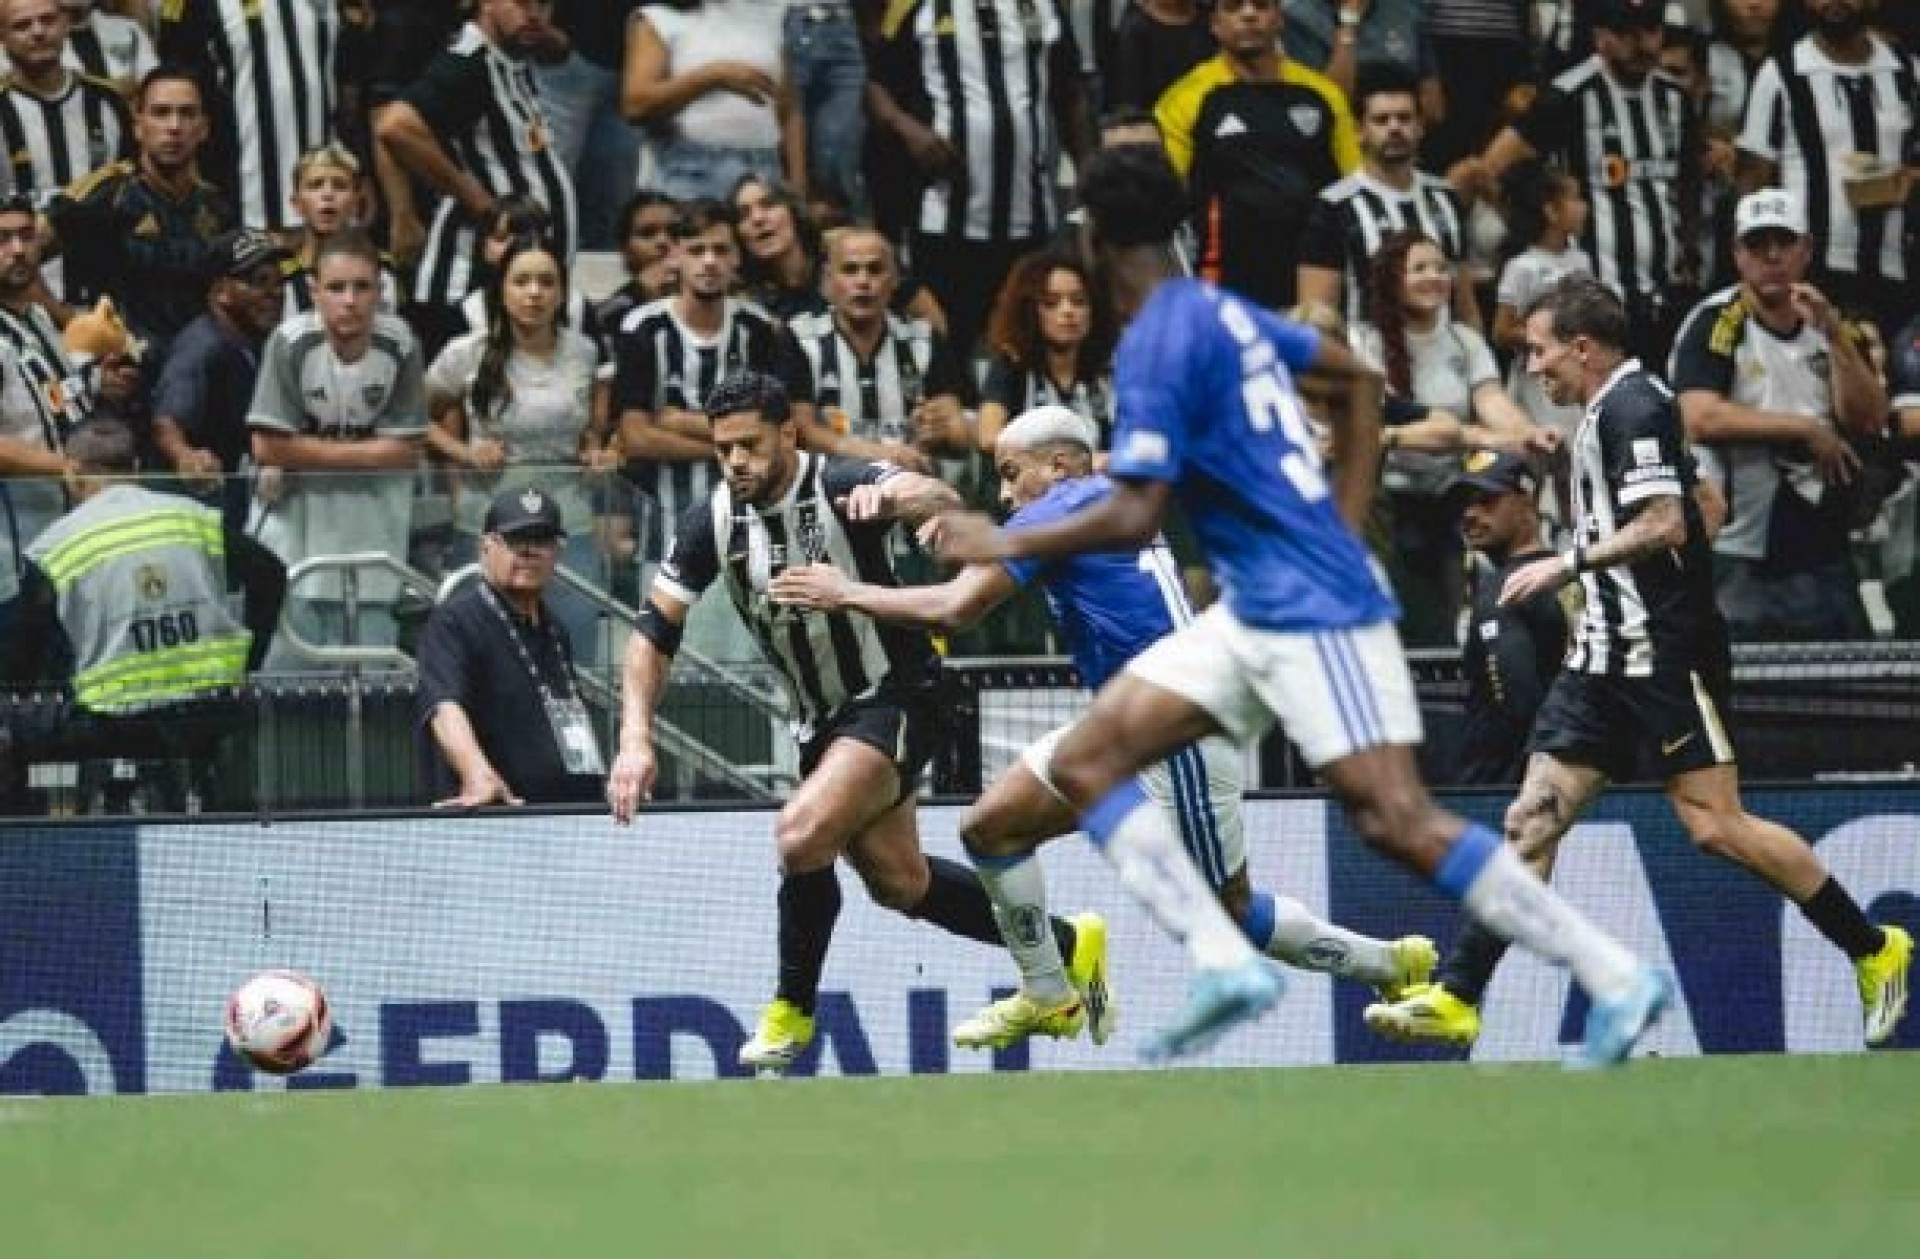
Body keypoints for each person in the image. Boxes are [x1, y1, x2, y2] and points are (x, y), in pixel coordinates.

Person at [933, 144, 1673, 1068]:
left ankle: (1613, 972)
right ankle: (1223, 963)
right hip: (1262, 601)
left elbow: (1134, 510)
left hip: (1306, 603)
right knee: (1089, 759)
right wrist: (1346, 516)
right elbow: (1359, 384)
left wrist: (998, 538)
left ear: (1091, 238)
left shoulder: (1161, 340)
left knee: (1397, 819)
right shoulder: (1225, 313)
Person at [772, 402, 1438, 1048]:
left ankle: (1389, 964)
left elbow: (955, 609)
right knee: (990, 827)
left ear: (1060, 468)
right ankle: (1047, 991)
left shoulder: (1067, 504)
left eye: (1011, 474)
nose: (1006, 494)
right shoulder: (1087, 501)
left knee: (1230, 909)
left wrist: (847, 591)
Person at [1364, 272, 1911, 1051]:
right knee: (1529, 820)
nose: (1537, 366)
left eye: (1543, 349)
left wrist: (1571, 562)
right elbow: (1703, 508)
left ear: (1582, 347)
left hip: (1659, 654)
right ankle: (1458, 994)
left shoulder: (1634, 404)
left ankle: (1872, 945)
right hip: (1599, 659)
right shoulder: (1612, 411)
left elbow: (1666, 521)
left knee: (1715, 826)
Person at [605, 369, 1110, 1073]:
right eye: (723, 450)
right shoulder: (712, 521)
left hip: (897, 693)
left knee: (800, 833)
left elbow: (928, 489)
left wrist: (913, 503)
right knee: (899, 883)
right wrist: (634, 739)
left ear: (787, 432)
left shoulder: (842, 484)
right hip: (819, 722)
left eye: (750, 445)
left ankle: (789, 1013)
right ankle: (1065, 945)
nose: (737, 462)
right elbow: (653, 632)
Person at [4, 416, 284, 813]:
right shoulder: (195, 518)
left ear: (71, 472)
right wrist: (249, 662)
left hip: (113, 722)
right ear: (136, 469)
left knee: (12, 726)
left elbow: (25, 654)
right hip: (212, 709)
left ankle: (23, 848)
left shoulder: (54, 548)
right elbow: (271, 574)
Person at [1669, 188, 1887, 642]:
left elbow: (1868, 418)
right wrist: (1806, 429)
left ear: (1806, 249)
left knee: (1849, 687)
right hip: (1738, 548)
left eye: (1783, 243)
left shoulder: (1830, 320)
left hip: (1820, 543)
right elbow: (1698, 417)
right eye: (1757, 244)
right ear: (1736, 254)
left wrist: (1834, 336)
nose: (1772, 256)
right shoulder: (1715, 322)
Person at [1449, 0, 1700, 365]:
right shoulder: (1567, 96)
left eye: (1650, 30)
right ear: (1601, 37)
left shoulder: (1674, 99)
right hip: (1596, 300)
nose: (1642, 44)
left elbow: (1688, 184)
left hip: (1667, 298)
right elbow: (1492, 166)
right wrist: (1536, 230)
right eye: (1627, 33)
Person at [867, 0, 1094, 356]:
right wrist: (908, 130)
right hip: (944, 217)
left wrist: (1089, 174)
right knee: (946, 344)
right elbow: (875, 84)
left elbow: (1072, 93)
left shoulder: (1043, 8)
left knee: (1023, 345)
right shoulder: (919, 8)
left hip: (1029, 216)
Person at [425, 233, 613, 661]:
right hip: (486, 523)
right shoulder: (467, 352)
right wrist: (463, 452)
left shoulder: (583, 352)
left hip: (569, 522)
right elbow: (413, 419)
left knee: (574, 655)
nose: (534, 293)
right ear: (501, 289)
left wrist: (594, 451)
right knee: (481, 659)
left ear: (563, 291)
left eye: (547, 282)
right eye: (522, 281)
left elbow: (590, 431)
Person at [247, 229, 428, 659]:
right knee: (289, 668)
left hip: (375, 522)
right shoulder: (289, 343)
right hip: (295, 522)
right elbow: (267, 448)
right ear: (314, 291)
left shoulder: (401, 345)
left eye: (362, 287)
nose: (349, 300)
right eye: (336, 288)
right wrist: (369, 453)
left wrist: (305, 452)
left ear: (380, 291)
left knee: (372, 667)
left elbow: (404, 452)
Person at [374, 0, 577, 356]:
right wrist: (484, 205)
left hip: (512, 279)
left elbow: (558, 48)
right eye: (521, 2)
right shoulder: (467, 63)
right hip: (469, 281)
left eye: (543, 3)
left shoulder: (512, 53)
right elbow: (395, 126)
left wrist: (540, 30)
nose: (533, 14)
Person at [1154, 0, 1359, 310]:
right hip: (1226, 278)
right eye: (1234, 7)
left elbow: (1354, 184)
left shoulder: (1322, 94)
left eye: (1261, 6)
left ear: (1279, 19)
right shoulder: (1186, 99)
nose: (1249, 15)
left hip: (1315, 276)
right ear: (1215, 24)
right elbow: (1168, 189)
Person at [1736, 0, 1917, 336]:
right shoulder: (1782, 72)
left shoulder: (1907, 72)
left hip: (1897, 268)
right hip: (1810, 270)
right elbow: (1753, 178)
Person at [417, 485, 604, 805]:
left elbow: (570, 722)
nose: (529, 551)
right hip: (494, 815)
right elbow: (444, 708)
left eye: (542, 540)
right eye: (516, 540)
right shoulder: (454, 623)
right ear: (485, 548)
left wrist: (601, 786)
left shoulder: (555, 630)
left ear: (557, 552)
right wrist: (477, 774)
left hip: (562, 815)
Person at [47, 66, 233, 355]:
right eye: (161, 113)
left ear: (204, 128)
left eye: (186, 113)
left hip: (196, 368)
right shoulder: (105, 195)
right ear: (137, 126)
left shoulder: (216, 207)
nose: (174, 126)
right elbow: (16, 251)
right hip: (122, 373)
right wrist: (73, 323)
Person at [1297, 61, 1478, 331]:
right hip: (1368, 362)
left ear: (1420, 127)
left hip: (1442, 363)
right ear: (1359, 131)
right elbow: (1314, 318)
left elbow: (1465, 305)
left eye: (1405, 118)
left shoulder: (1445, 198)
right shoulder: (1334, 207)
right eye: (1381, 120)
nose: (1395, 128)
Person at [157, 0, 344, 232]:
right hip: (241, 198)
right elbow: (178, 91)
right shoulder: (197, 6)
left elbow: (346, 91)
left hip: (325, 203)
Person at [150, 228, 289, 532]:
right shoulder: (202, 347)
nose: (275, 292)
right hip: (193, 515)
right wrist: (185, 456)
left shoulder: (252, 342)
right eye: (259, 282)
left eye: (279, 282)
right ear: (220, 292)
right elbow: (166, 423)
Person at [1450, 449, 1570, 785]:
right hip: (1581, 771)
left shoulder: (1503, 592)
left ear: (1527, 502)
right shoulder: (1573, 576)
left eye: (1486, 500)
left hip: (1507, 784)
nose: (1470, 514)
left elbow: (1517, 705)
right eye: (1464, 504)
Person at [621, 0, 803, 203]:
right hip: (692, 171)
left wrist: (798, 186)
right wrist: (712, 77)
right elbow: (636, 105)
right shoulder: (659, 17)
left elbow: (789, 109)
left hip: (766, 170)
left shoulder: (769, 13)